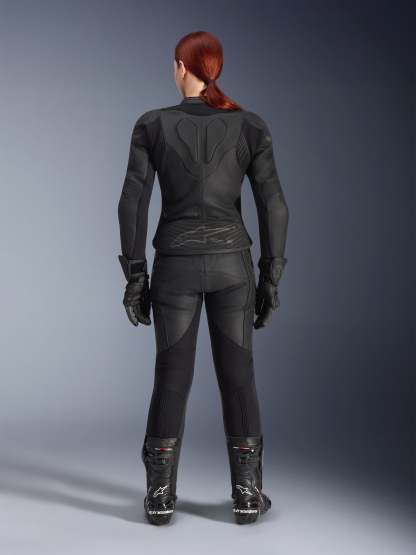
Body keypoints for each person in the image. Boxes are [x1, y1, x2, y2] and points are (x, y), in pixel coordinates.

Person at [117, 31, 289, 525]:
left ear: (180, 67)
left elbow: (133, 202)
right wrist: (271, 276)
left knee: (171, 375)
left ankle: (160, 498)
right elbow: (274, 205)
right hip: (233, 266)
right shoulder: (250, 125)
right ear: (214, 70)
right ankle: (248, 496)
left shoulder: (152, 125)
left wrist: (135, 275)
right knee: (239, 376)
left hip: (175, 265)